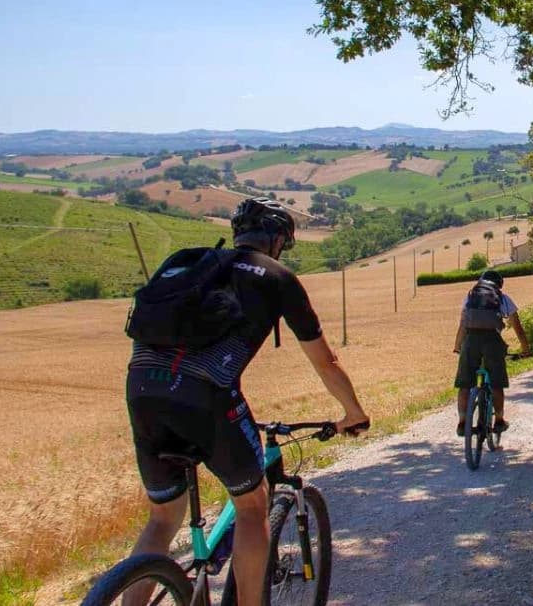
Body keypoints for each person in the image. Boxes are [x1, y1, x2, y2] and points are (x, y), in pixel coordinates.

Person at [124, 197, 369, 606]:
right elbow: (327, 363)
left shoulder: (193, 264)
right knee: (252, 508)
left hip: (142, 388)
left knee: (163, 517)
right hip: (207, 395)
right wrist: (354, 413)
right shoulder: (277, 277)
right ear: (277, 240)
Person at [452, 269, 530, 437]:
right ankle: (499, 421)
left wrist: (458, 346)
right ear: (499, 285)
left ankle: (462, 423)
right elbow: (517, 326)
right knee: (496, 383)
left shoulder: (470, 296)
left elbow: (463, 324)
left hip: (470, 341)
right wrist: (525, 348)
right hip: (492, 341)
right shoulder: (502, 298)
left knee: (465, 384)